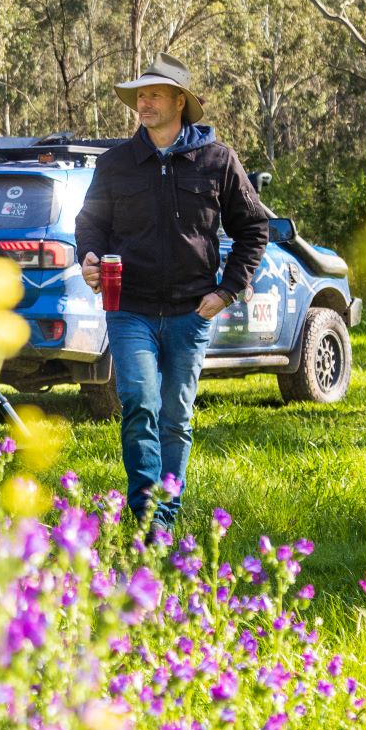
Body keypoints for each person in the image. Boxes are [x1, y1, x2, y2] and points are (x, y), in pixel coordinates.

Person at [75, 56, 271, 534]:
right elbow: (91, 226)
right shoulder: (116, 164)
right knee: (140, 402)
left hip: (191, 311)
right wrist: (90, 259)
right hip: (130, 310)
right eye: (139, 95)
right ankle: (144, 517)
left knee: (176, 416)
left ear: (180, 102)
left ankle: (164, 519)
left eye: (154, 94)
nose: (143, 102)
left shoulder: (218, 160)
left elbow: (254, 227)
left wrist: (228, 290)